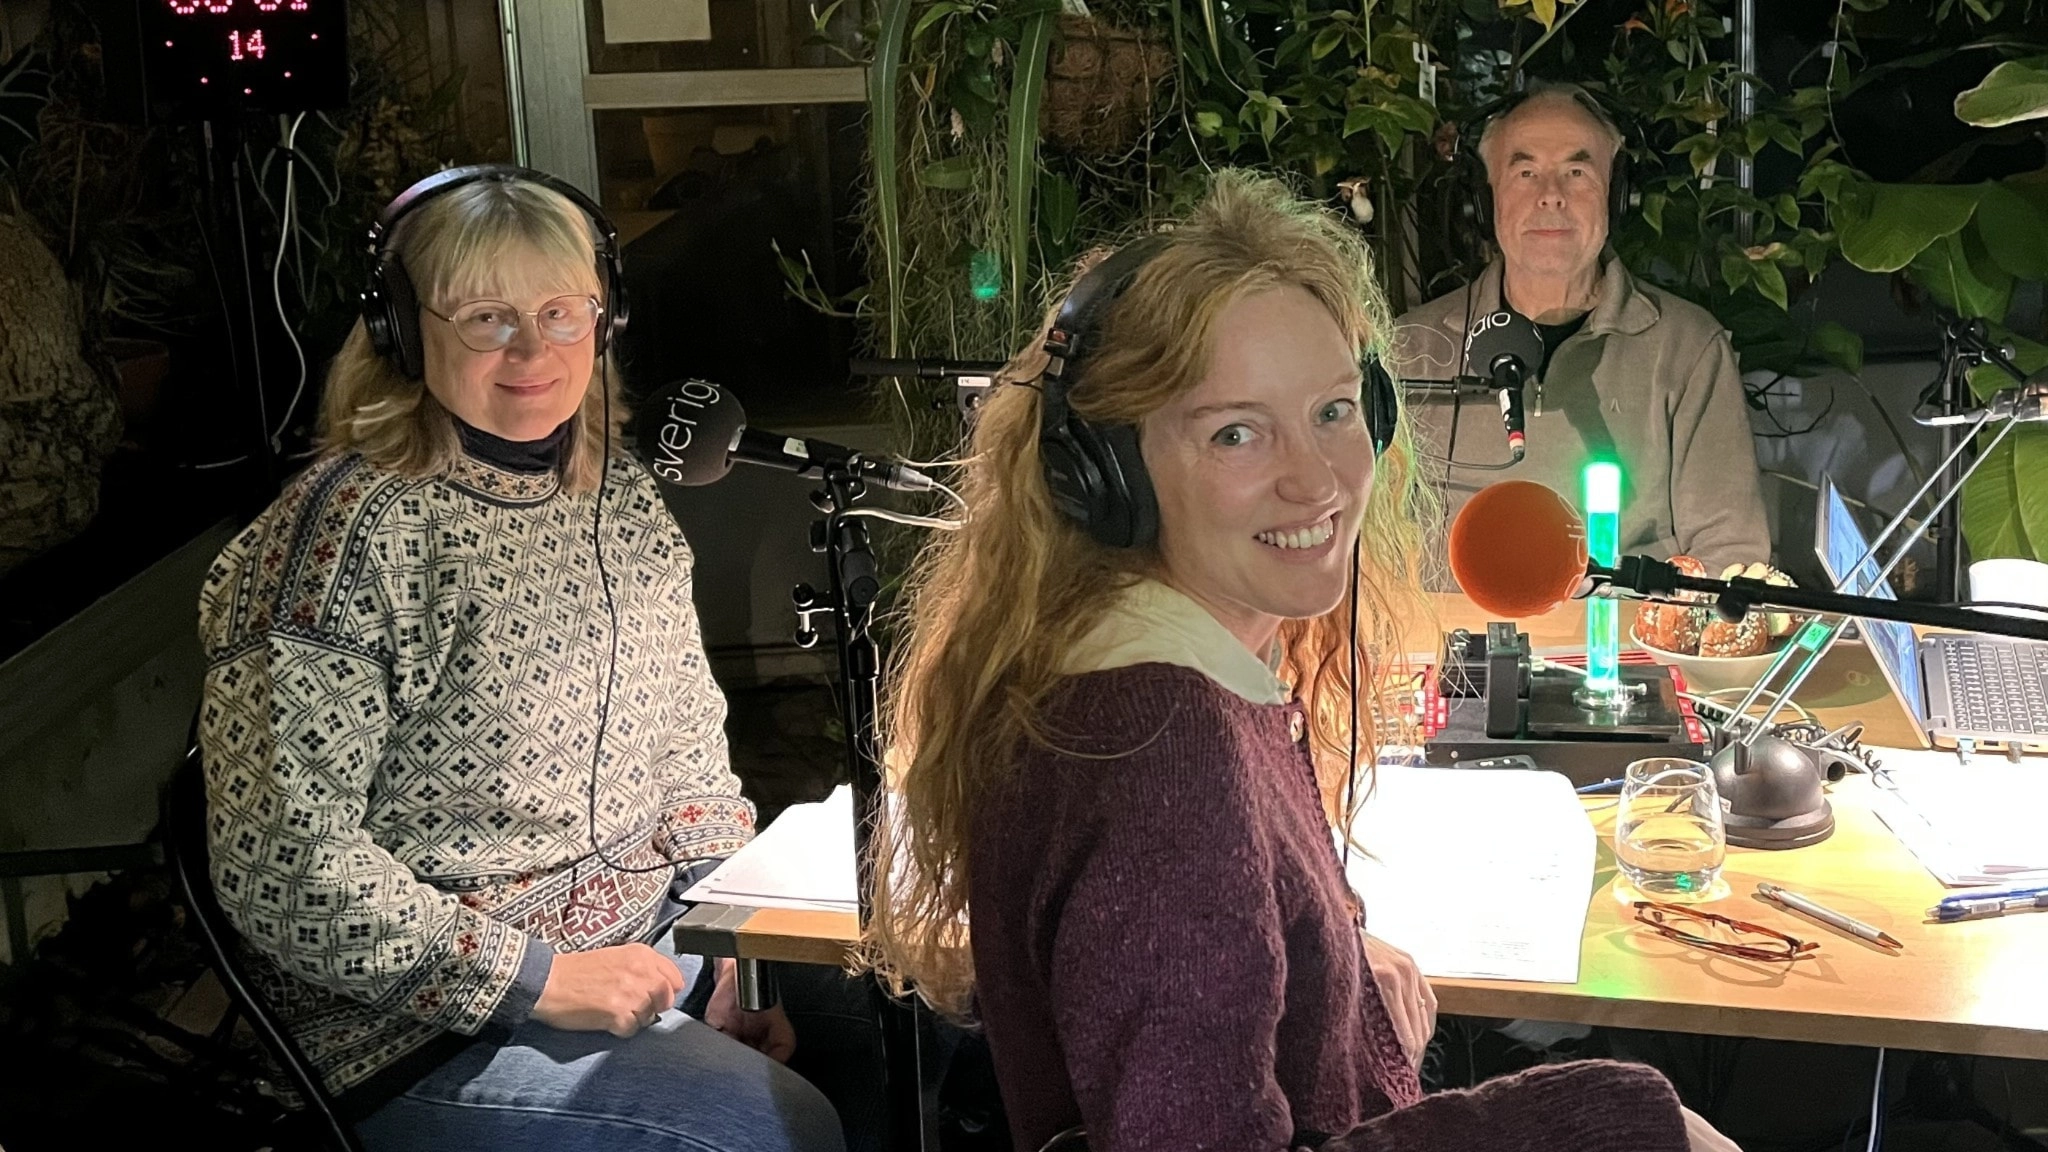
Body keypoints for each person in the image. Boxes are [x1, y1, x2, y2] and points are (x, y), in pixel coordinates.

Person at [865, 170, 1743, 1152]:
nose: (1317, 479)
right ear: (1103, 474)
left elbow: (1178, 968)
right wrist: (1602, 1124)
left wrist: (1326, 980)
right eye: (1234, 432)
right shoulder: (1160, 757)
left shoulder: (1136, 680)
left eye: (1331, 410)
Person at [196, 167, 846, 1152]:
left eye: (560, 311)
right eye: (486, 317)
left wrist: (732, 954)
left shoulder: (615, 502)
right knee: (774, 1129)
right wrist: (539, 981)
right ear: (403, 333)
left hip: (653, 944)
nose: (535, 349)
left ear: (605, 318)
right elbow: (288, 871)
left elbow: (685, 744)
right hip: (418, 1030)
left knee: (918, 1019)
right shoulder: (331, 552)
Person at [1392, 81, 1770, 575]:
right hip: (1450, 649)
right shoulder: (1408, 351)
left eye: (1576, 171)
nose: (1551, 196)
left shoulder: (1689, 349)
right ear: (1484, 205)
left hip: (1623, 646)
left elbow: (1731, 557)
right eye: (1525, 172)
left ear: (1617, 197)